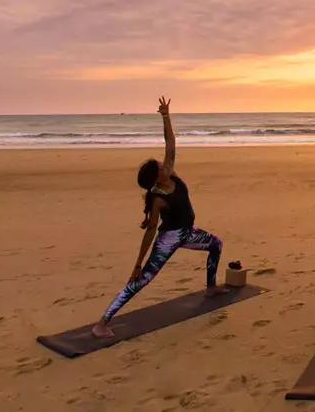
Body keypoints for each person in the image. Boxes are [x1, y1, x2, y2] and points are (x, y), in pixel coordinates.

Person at [92, 97, 226, 339]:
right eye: (160, 167)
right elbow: (151, 231)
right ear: (157, 177)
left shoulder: (171, 173)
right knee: (142, 281)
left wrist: (165, 116)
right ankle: (101, 323)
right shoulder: (157, 198)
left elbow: (171, 141)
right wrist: (137, 264)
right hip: (169, 239)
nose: (164, 165)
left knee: (216, 244)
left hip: (187, 231)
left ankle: (210, 288)